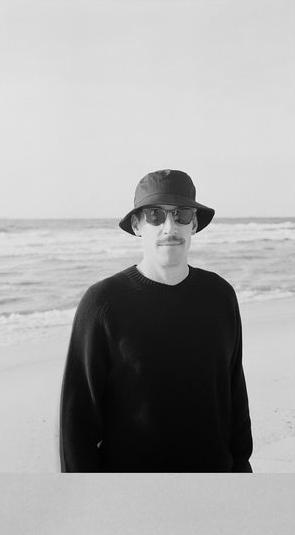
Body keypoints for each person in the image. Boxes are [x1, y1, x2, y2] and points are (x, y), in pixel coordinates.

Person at [58, 169, 252, 472]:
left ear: (195, 223)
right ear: (137, 224)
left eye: (182, 214)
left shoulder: (220, 296)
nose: (169, 227)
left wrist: (242, 471)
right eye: (155, 215)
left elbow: (234, 397)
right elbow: (77, 423)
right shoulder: (102, 304)